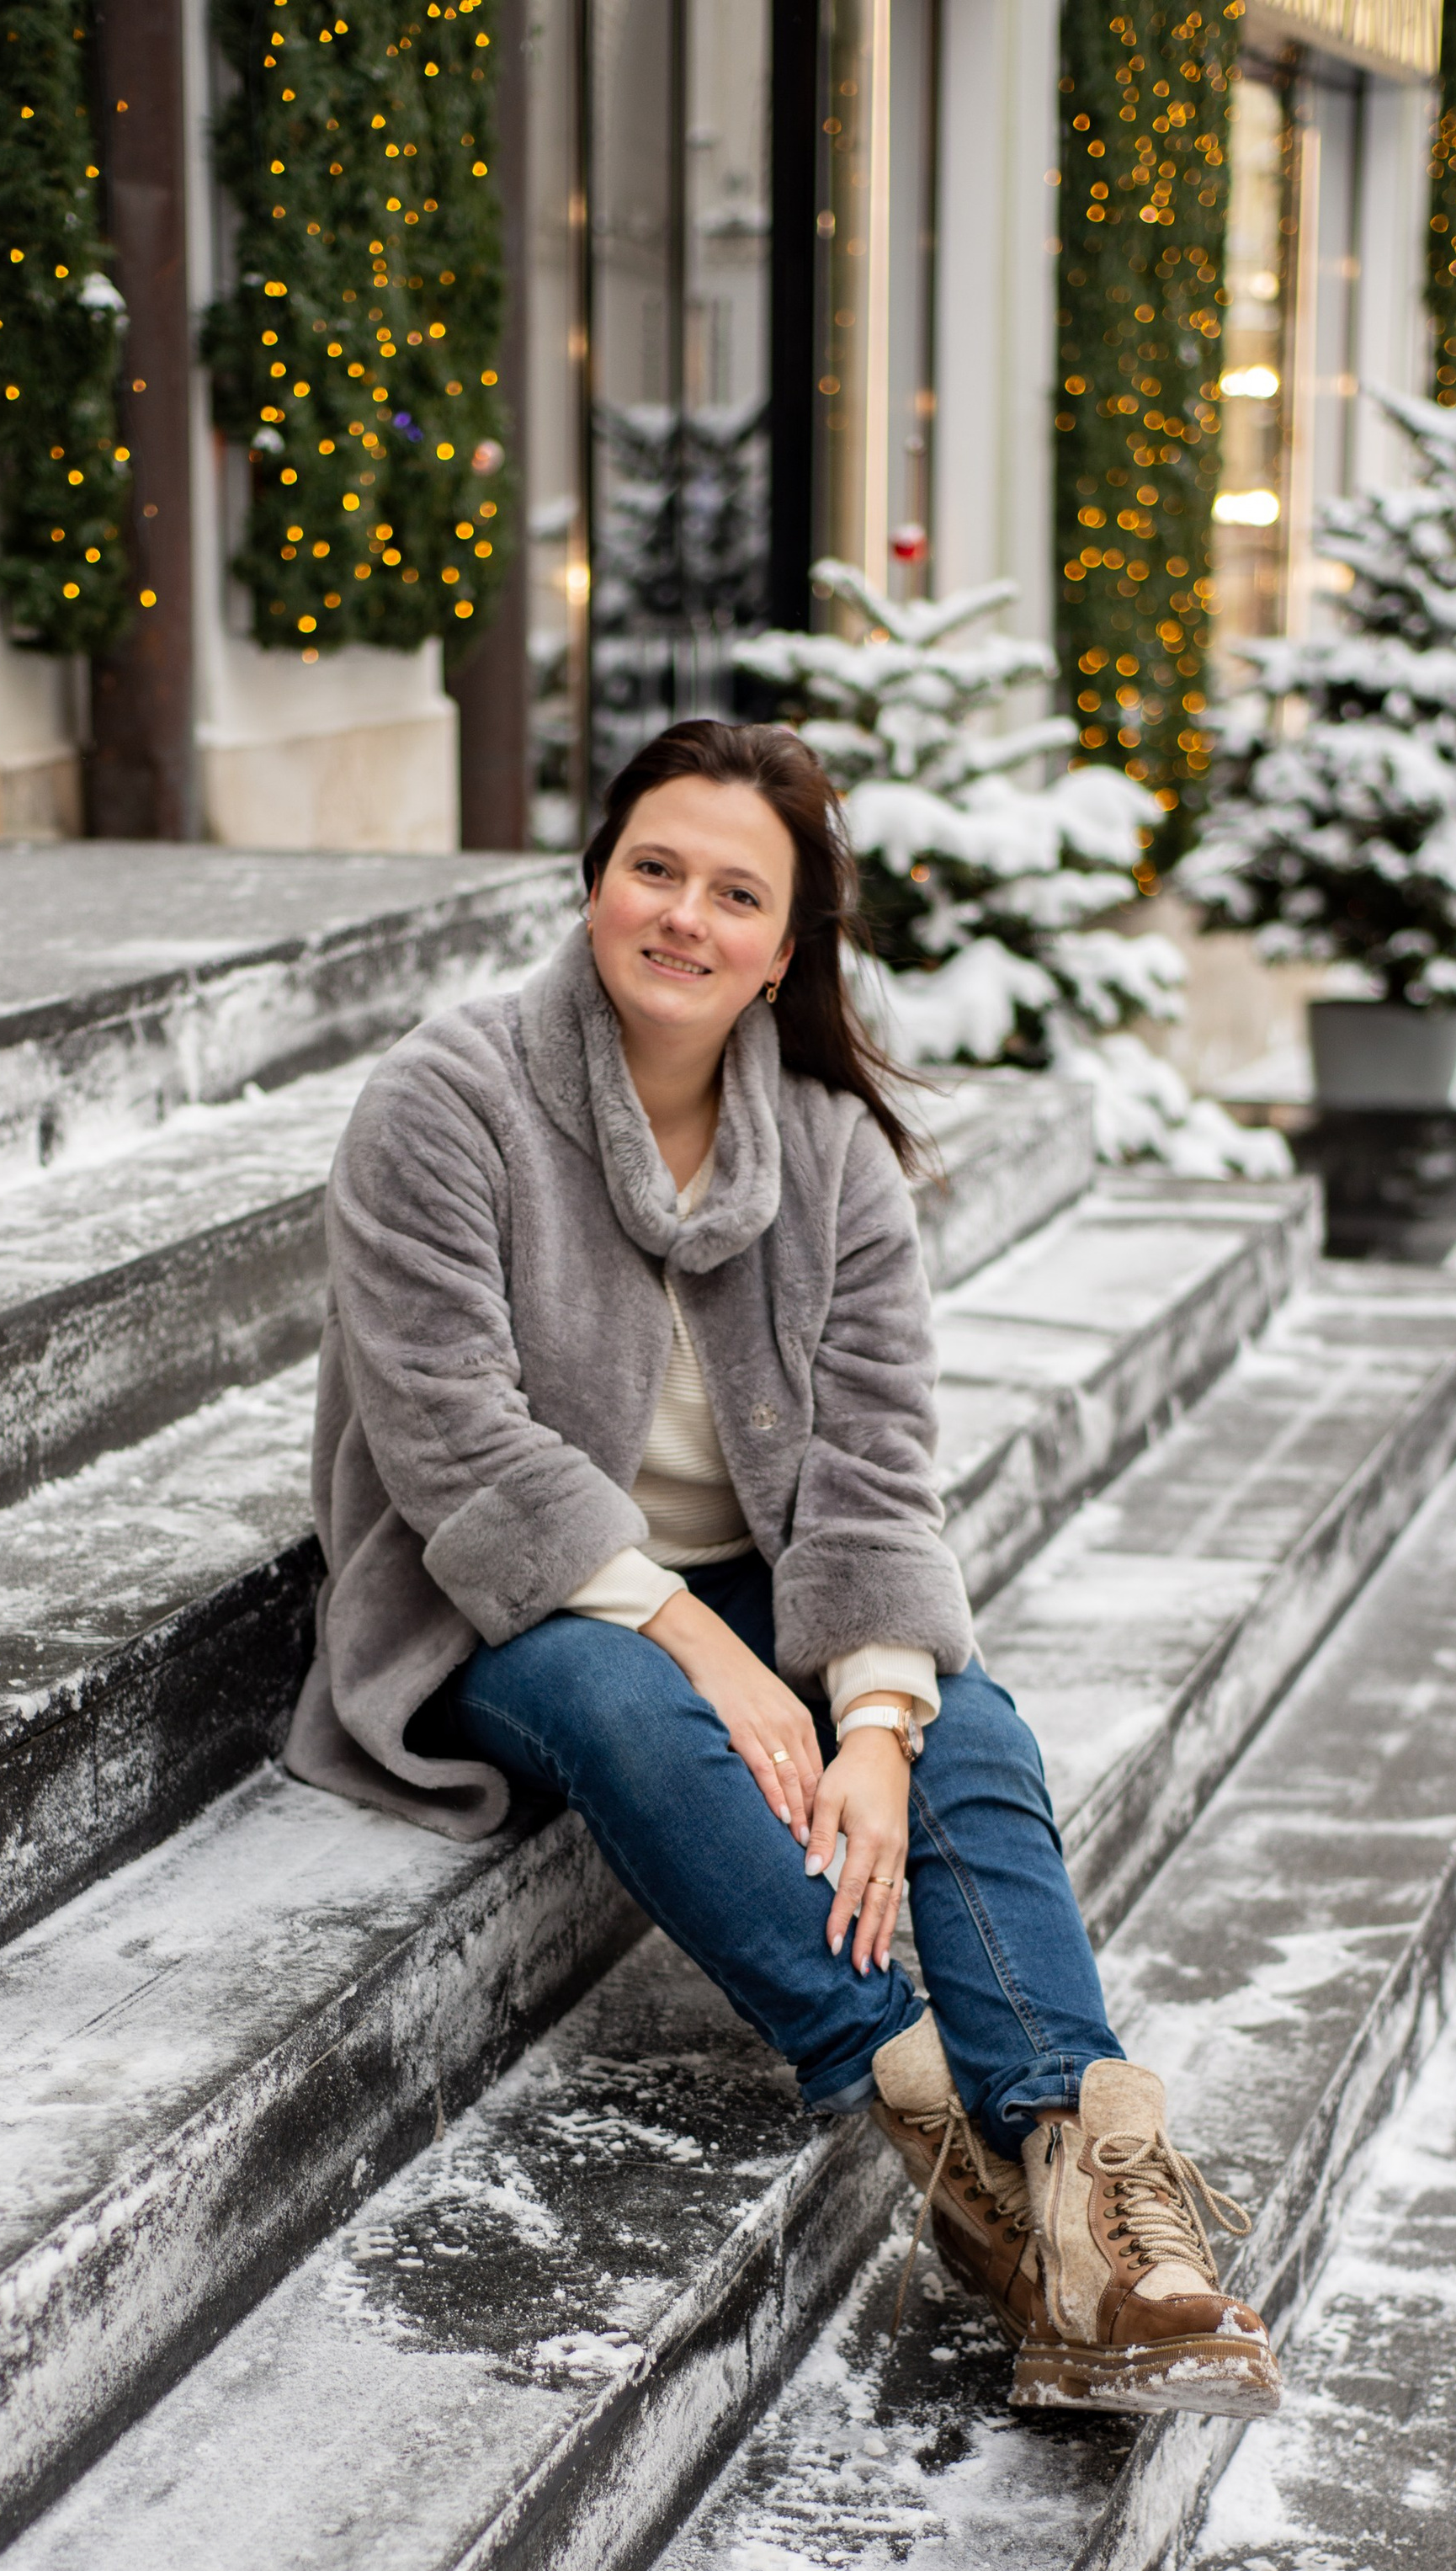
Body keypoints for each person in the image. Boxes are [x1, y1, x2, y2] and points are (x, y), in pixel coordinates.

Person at [285, 717, 1279, 2417]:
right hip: (497, 1595)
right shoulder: (443, 1102)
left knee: (964, 1730)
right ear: (591, 877)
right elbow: (452, 1438)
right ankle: (950, 2145)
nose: (682, 914)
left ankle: (1080, 2184)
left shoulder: (824, 1147)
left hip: (753, 1581)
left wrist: (873, 1723)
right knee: (632, 1700)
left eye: (734, 892)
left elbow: (876, 1461)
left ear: (787, 943)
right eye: (651, 868)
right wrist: (714, 1649)